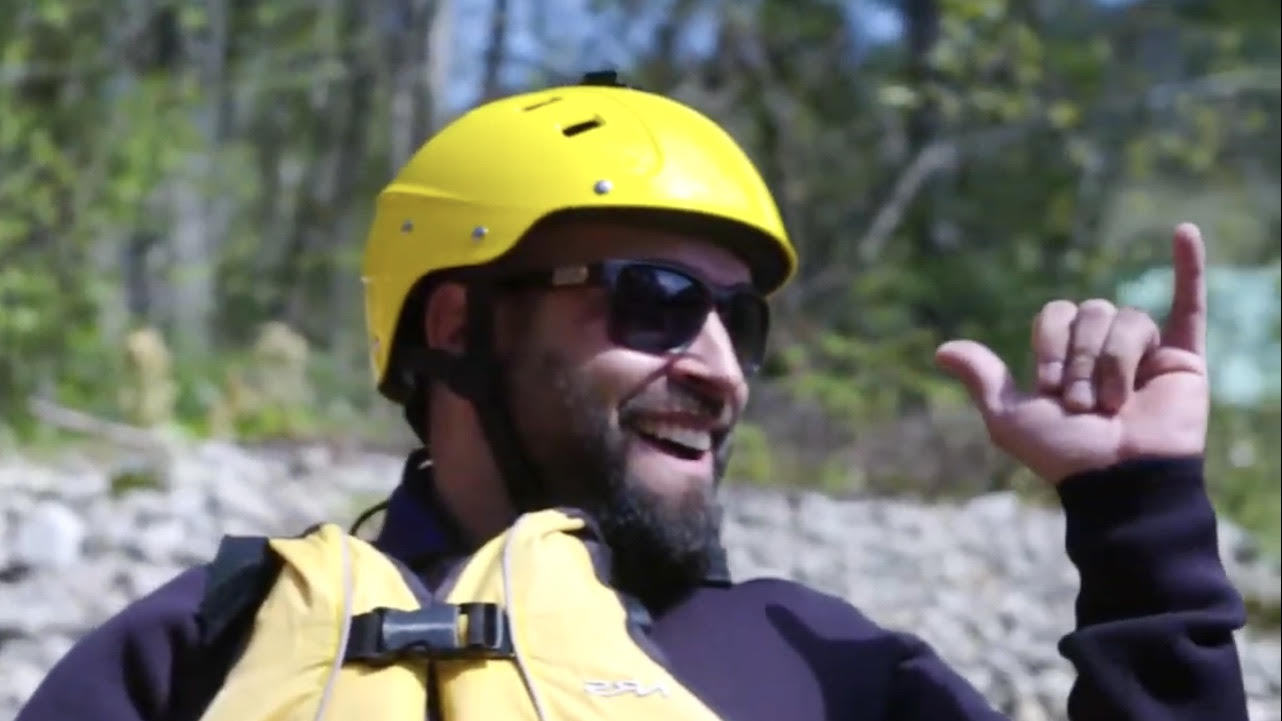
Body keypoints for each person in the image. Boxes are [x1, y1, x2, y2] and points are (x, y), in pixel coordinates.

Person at [16, 72, 1248, 721]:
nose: (717, 363)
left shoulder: (824, 666)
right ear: (459, 322)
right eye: (654, 297)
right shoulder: (201, 646)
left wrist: (1135, 515)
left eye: (740, 318)